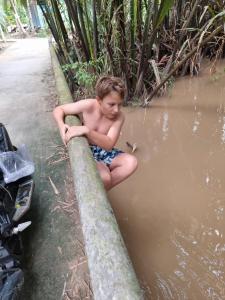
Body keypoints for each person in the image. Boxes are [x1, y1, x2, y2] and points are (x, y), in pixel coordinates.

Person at [53, 76, 137, 190]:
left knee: (131, 162)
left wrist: (87, 131)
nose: (116, 110)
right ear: (99, 100)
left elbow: (109, 144)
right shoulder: (89, 105)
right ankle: (100, 188)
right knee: (105, 178)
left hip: (103, 149)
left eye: (119, 104)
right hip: (87, 149)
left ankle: (100, 191)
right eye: (111, 104)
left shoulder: (119, 117)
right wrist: (61, 125)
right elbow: (59, 110)